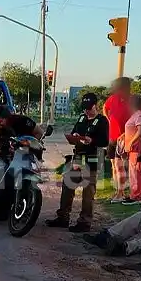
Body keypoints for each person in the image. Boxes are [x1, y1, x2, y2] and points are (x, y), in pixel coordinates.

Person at [46, 93, 109, 232]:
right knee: (68, 185)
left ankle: (85, 222)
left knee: (88, 192)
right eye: (84, 108)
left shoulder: (102, 121)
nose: (86, 111)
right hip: (78, 157)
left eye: (89, 108)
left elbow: (104, 141)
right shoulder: (81, 118)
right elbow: (75, 131)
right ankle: (63, 217)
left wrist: (91, 140)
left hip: (92, 159)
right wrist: (74, 136)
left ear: (96, 106)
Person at [103, 77, 133, 203]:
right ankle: (118, 191)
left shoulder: (133, 100)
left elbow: (140, 117)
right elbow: (105, 107)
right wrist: (108, 119)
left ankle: (122, 192)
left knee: (121, 166)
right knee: (114, 166)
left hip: (125, 138)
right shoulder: (113, 98)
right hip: (112, 137)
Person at [121, 94, 141, 205]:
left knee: (136, 172)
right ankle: (134, 193)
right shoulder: (135, 115)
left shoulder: (140, 115)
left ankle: (137, 196)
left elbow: (139, 131)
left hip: (136, 148)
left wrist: (130, 142)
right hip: (132, 149)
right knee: (133, 172)